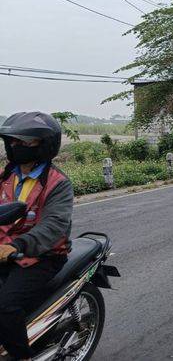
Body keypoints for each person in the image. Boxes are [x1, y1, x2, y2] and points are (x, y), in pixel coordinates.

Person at [0, 112, 73, 361]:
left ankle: (23, 357)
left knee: (6, 307)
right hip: (5, 251)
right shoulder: (5, 176)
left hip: (42, 255)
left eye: (23, 142)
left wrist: (17, 245)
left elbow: (54, 226)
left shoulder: (58, 183)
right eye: (12, 141)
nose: (15, 146)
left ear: (44, 144)